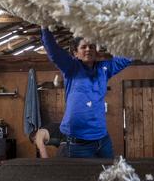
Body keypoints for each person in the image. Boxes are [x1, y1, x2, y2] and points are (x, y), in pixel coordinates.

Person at [41, 28, 131, 158]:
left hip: (102, 140)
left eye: (91, 46)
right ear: (75, 53)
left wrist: (140, 35)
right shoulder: (71, 68)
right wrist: (45, 27)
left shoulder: (104, 69)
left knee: (108, 175)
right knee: (80, 177)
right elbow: (54, 52)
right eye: (83, 47)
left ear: (96, 51)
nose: (88, 49)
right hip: (78, 143)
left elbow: (127, 57)